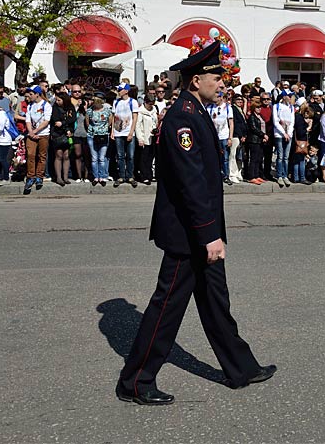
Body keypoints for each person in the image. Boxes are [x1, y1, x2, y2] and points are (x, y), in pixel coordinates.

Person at [116, 41, 275, 406]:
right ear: (194, 80)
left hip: (203, 232)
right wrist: (209, 236)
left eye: (222, 76)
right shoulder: (182, 117)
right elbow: (191, 183)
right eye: (216, 76)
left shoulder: (197, 110)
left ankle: (241, 367)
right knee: (166, 307)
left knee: (216, 302)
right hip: (188, 235)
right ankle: (136, 382)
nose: (222, 82)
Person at [24, 86, 52, 195]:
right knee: (30, 154)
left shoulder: (46, 105)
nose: (29, 96)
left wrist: (35, 131)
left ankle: (40, 176)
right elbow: (28, 120)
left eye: (31, 94)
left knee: (42, 155)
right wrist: (31, 132)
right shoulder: (30, 106)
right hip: (32, 134)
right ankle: (31, 176)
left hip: (43, 134)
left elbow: (46, 121)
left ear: (37, 94)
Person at [111, 83, 139, 188]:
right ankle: (121, 176)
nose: (119, 91)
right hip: (118, 132)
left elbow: (135, 117)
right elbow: (113, 117)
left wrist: (131, 132)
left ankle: (130, 176)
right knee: (120, 155)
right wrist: (112, 131)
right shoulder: (116, 102)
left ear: (126, 91)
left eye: (120, 89)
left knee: (130, 155)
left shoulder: (133, 102)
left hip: (128, 131)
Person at [207, 91, 234, 185]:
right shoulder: (210, 107)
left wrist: (230, 138)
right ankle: (215, 175)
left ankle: (226, 176)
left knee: (225, 157)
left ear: (222, 98)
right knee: (214, 157)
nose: (216, 99)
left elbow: (231, 123)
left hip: (224, 135)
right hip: (213, 136)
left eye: (218, 97)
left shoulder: (227, 108)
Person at [50, 93, 75, 186]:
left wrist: (65, 125)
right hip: (58, 133)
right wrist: (63, 125)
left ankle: (65, 177)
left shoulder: (70, 107)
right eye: (56, 100)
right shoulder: (55, 108)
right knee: (58, 154)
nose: (57, 102)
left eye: (59, 100)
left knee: (66, 155)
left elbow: (72, 119)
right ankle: (58, 177)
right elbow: (55, 120)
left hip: (68, 133)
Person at [86, 97, 111, 186]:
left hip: (103, 135)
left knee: (101, 158)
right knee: (94, 158)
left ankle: (102, 176)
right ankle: (95, 177)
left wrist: (103, 129)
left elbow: (110, 122)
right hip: (92, 135)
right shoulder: (89, 111)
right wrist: (94, 129)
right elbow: (87, 122)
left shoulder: (107, 110)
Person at [273, 91, 295, 187]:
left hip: (288, 135)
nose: (291, 98)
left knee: (286, 157)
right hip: (279, 134)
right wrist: (283, 133)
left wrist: (289, 134)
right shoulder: (276, 106)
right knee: (280, 156)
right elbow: (276, 121)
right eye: (289, 96)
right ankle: (279, 176)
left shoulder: (291, 108)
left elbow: (292, 122)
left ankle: (285, 175)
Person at [136, 95, 159, 185]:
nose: (151, 106)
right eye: (149, 104)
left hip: (153, 136)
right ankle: (144, 176)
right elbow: (138, 126)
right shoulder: (141, 112)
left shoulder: (154, 110)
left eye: (152, 104)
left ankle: (150, 175)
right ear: (145, 102)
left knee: (151, 157)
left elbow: (155, 122)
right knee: (144, 158)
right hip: (144, 137)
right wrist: (140, 139)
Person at [245, 97, 268, 184]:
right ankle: (251, 176)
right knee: (253, 159)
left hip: (260, 140)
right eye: (257, 107)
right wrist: (263, 135)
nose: (259, 109)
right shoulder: (252, 117)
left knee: (259, 159)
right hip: (254, 140)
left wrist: (264, 137)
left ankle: (257, 175)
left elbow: (263, 126)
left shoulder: (260, 116)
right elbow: (254, 128)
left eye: (260, 107)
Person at [291, 103, 312, 184]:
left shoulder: (297, 116)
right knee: (301, 160)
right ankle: (301, 177)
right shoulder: (299, 117)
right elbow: (300, 131)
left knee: (297, 160)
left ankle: (296, 177)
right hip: (300, 141)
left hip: (298, 141)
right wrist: (308, 127)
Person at [229, 94, 248, 182]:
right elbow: (236, 124)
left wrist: (244, 135)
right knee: (233, 155)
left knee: (239, 156)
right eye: (238, 99)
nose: (240, 101)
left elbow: (244, 124)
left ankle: (239, 172)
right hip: (236, 136)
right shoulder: (233, 108)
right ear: (234, 100)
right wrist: (241, 135)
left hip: (242, 136)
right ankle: (233, 174)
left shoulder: (240, 110)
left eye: (241, 100)